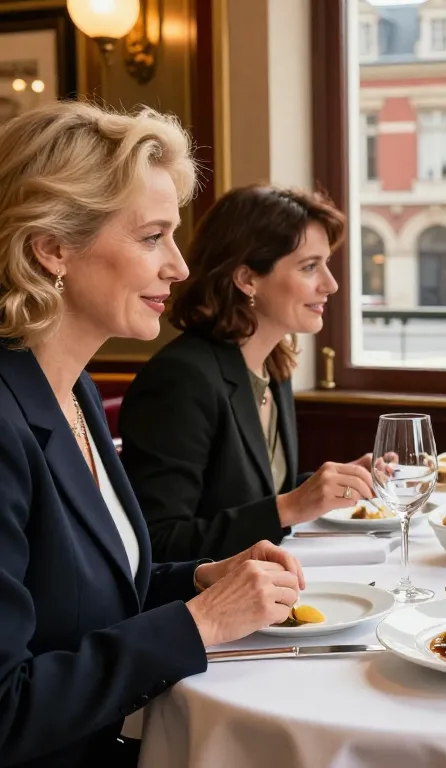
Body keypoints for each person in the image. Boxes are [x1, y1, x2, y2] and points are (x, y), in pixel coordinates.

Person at [0, 101, 307, 767]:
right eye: (151, 237)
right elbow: (4, 710)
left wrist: (204, 578)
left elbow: (96, 594)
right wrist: (201, 624)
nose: (179, 267)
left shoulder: (70, 388)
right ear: (50, 247)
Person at [118, 186, 375, 562]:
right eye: (309, 267)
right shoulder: (181, 379)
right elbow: (159, 543)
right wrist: (290, 506)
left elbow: (250, 498)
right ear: (247, 279)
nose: (330, 284)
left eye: (326, 264)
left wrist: (334, 484)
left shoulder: (273, 364)